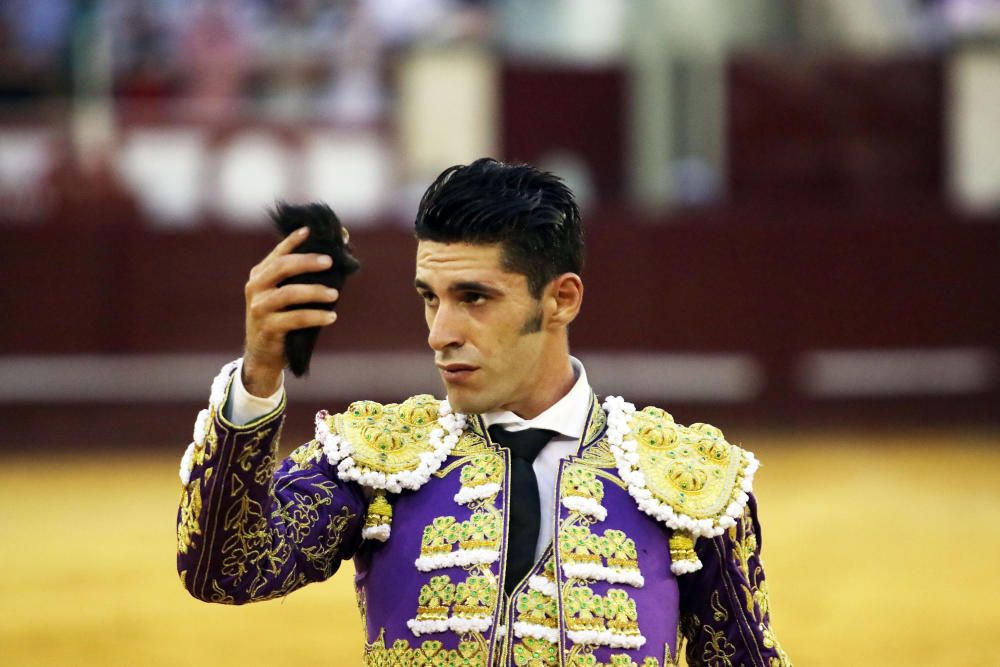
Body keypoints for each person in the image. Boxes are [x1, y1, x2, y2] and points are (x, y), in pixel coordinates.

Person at [176, 158, 792, 667]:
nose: (441, 332)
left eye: (474, 298)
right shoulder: (376, 460)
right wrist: (257, 376)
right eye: (430, 298)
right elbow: (225, 570)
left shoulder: (686, 482)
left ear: (562, 300)